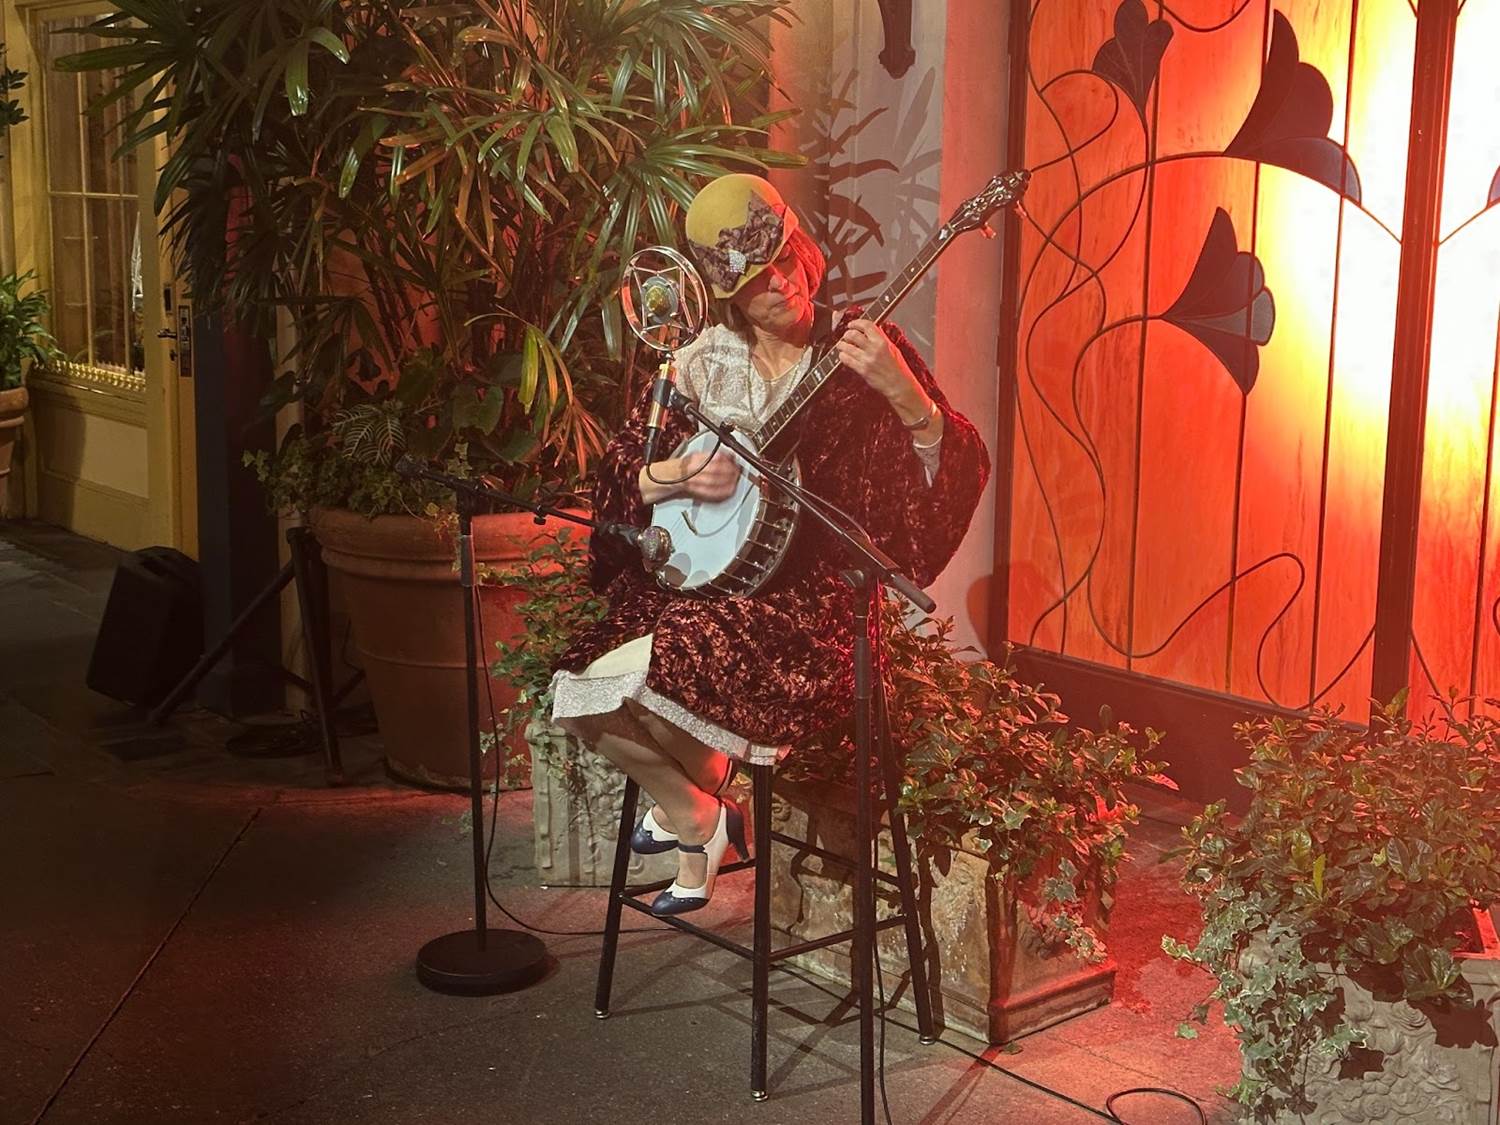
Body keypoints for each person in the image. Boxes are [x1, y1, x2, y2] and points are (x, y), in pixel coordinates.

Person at [550, 174, 990, 915]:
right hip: (703, 589)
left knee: (648, 672)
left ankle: (697, 805)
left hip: (809, 606)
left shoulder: (862, 346)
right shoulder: (701, 360)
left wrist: (903, 392)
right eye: (756, 280)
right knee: (577, 688)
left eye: (785, 259)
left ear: (802, 251)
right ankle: (700, 812)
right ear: (727, 296)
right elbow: (624, 466)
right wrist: (678, 474)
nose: (781, 284)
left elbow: (956, 474)